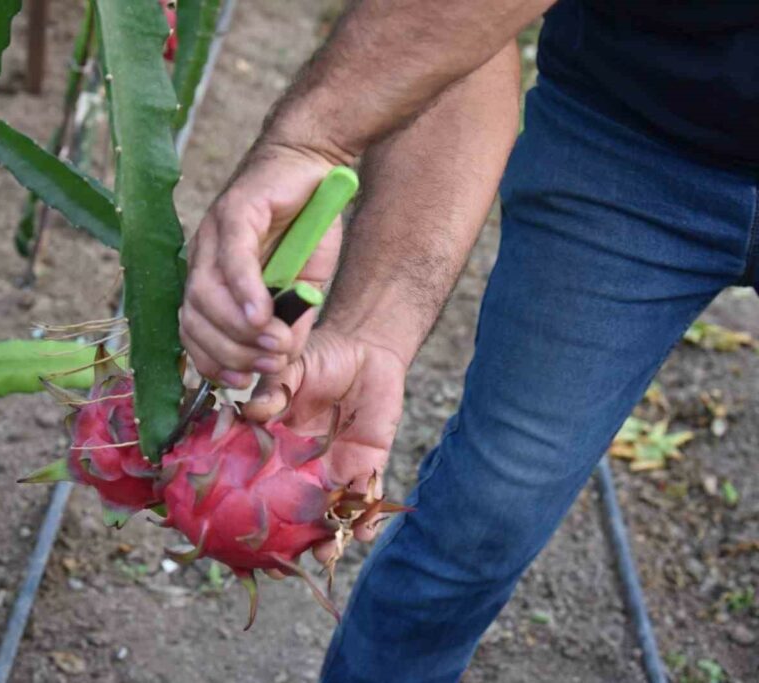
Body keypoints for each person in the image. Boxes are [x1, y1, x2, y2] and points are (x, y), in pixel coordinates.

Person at [178, 0, 759, 680]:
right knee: (485, 513)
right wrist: (375, 325)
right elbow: (469, 36)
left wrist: (313, 139)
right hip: (628, 141)